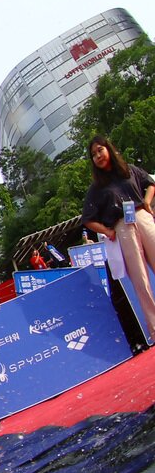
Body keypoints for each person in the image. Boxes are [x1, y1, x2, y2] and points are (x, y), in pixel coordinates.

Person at [82, 135, 155, 344]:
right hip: (122, 227)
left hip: (142, 216)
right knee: (140, 280)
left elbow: (150, 183)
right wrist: (107, 231)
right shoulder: (96, 188)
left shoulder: (128, 170)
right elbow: (87, 219)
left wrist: (148, 204)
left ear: (108, 149)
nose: (98, 156)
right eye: (94, 155)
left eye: (100, 150)